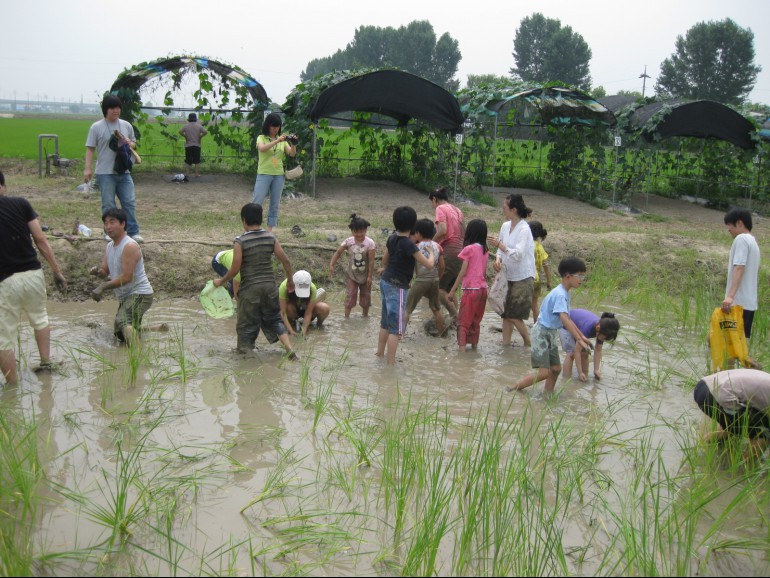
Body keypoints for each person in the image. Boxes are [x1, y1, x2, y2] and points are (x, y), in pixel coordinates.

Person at [0, 170, 67, 385]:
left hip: (5, 281)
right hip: (33, 274)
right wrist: (56, 271)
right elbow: (40, 240)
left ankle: (13, 388)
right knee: (40, 318)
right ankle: (46, 362)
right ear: (4, 187)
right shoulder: (21, 203)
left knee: (4, 337)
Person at [212, 203, 297, 359]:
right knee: (275, 318)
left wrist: (222, 280)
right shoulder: (270, 237)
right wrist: (290, 281)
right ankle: (289, 348)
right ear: (261, 219)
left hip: (250, 289)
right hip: (270, 287)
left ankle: (246, 357)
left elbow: (235, 268)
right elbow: (286, 260)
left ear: (244, 220)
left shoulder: (240, 241)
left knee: (246, 326)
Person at [507, 257, 593, 395]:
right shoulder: (560, 295)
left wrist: (582, 337)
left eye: (583, 275)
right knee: (543, 373)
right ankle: (513, 389)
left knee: (556, 369)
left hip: (550, 333)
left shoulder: (565, 293)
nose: (581, 279)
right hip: (541, 333)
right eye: (579, 276)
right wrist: (578, 339)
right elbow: (564, 318)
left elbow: (568, 318)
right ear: (568, 276)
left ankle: (548, 395)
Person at [376, 206, 436, 365]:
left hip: (385, 282)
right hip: (398, 287)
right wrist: (430, 252)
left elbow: (384, 261)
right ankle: (390, 365)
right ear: (413, 225)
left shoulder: (392, 238)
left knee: (385, 323)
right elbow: (428, 265)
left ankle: (379, 354)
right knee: (395, 329)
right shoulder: (409, 245)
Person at [90, 208, 154, 346]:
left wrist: (102, 287)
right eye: (105, 223)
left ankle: (138, 358)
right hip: (127, 296)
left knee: (123, 321)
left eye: (112, 222)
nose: (108, 227)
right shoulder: (109, 246)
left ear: (123, 224)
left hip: (140, 294)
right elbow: (105, 271)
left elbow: (126, 278)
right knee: (120, 334)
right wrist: (97, 272)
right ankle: (151, 331)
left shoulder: (129, 246)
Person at [84, 94, 143, 243]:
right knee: (108, 204)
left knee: (129, 202)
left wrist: (129, 142)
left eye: (118, 108)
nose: (116, 111)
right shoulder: (96, 127)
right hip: (105, 172)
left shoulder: (126, 125)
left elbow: (134, 144)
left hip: (124, 172)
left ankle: (133, 232)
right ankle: (108, 232)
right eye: (112, 108)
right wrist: (87, 169)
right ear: (106, 109)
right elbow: (90, 149)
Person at [488, 194, 535, 347]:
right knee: (506, 314)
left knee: (515, 315)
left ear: (514, 210)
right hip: (508, 274)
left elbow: (519, 254)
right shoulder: (505, 226)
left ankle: (528, 343)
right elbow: (501, 251)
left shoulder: (524, 229)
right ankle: (505, 345)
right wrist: (497, 260)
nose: (503, 210)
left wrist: (500, 246)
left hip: (523, 276)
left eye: (505, 207)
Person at [693, 368, 770, 458]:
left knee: (736, 426)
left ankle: (703, 445)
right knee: (764, 432)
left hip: (705, 385)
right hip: (716, 395)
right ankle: (744, 468)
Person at [251, 113, 297, 232]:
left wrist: (293, 144)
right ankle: (253, 227)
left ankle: (269, 230)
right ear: (268, 126)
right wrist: (277, 141)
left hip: (278, 175)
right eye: (273, 126)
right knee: (257, 202)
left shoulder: (282, 140)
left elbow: (291, 154)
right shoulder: (261, 137)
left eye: (277, 126)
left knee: (274, 203)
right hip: (264, 173)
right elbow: (262, 148)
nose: (275, 129)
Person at [448, 219, 489, 351]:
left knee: (463, 323)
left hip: (471, 290)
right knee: (475, 321)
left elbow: (463, 271)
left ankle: (461, 352)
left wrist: (452, 290)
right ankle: (474, 347)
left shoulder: (469, 249)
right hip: (483, 289)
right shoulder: (485, 250)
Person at [722, 208, 760, 339]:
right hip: (748, 305)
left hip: (738, 304)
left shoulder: (742, 239)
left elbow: (739, 267)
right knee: (735, 346)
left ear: (739, 223)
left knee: (727, 344)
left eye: (730, 226)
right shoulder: (752, 242)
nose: (728, 230)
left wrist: (730, 296)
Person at [405, 218, 446, 336]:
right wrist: (438, 277)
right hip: (434, 279)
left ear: (418, 233)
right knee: (436, 309)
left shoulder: (416, 246)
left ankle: (400, 335)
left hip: (421, 280)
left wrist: (409, 280)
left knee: (407, 308)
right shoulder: (438, 246)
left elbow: (412, 266)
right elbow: (442, 266)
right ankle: (441, 334)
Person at [329, 213, 376, 317]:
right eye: (356, 232)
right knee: (350, 296)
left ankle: (365, 316)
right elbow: (338, 253)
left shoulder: (370, 243)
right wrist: (331, 264)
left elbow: (371, 261)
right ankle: (346, 318)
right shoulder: (348, 242)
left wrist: (369, 276)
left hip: (365, 275)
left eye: (361, 232)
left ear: (366, 230)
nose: (359, 234)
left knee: (366, 297)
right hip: (352, 275)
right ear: (351, 231)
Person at [429, 186, 464, 320]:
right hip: (462, 251)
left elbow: (443, 230)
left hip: (450, 250)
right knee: (449, 290)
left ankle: (455, 316)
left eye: (432, 202)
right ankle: (458, 318)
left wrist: (430, 243)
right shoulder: (457, 209)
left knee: (438, 289)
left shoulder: (440, 208)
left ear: (434, 199)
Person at [561, 310, 620, 381]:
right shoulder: (587, 328)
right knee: (571, 354)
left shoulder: (603, 329)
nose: (603, 339)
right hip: (566, 325)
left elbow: (598, 349)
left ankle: (585, 376)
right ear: (598, 328)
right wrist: (580, 372)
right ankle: (565, 380)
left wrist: (596, 370)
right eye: (603, 337)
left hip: (579, 325)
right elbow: (577, 351)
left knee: (585, 353)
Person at [279, 270, 330, 337]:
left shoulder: (312, 288)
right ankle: (292, 324)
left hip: (306, 308)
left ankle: (318, 327)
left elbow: (308, 312)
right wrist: (291, 331)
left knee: (324, 308)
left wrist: (304, 331)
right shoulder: (284, 286)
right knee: (288, 307)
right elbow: (282, 312)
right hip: (292, 309)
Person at [529, 220, 552, 324]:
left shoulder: (528, 245)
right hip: (537, 279)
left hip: (527, 277)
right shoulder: (539, 246)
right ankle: (536, 325)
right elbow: (546, 266)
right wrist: (548, 281)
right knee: (534, 305)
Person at [179, 112, 207, 177]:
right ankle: (196, 174)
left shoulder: (186, 126)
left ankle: (187, 174)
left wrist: (185, 136)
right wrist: (200, 136)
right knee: (197, 160)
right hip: (197, 145)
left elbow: (180, 131)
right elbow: (205, 132)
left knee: (188, 160)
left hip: (188, 145)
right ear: (195, 119)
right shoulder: (199, 126)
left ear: (189, 119)